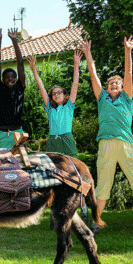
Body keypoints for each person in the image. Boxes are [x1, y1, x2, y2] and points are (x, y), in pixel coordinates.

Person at [80, 37, 133, 238]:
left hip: (127, 146)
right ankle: (97, 223)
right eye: (111, 82)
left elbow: (128, 73)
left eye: (117, 83)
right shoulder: (102, 99)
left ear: (122, 87)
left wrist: (128, 50)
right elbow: (93, 74)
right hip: (106, 145)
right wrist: (87, 53)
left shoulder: (127, 99)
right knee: (102, 186)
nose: (114, 84)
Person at [27, 50, 89, 226]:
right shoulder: (49, 109)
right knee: (51, 176)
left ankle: (83, 210)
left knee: (76, 174)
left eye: (59, 92)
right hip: (53, 141)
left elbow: (75, 84)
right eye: (53, 93)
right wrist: (34, 70)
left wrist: (76, 64)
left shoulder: (69, 107)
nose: (56, 95)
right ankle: (54, 215)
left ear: (65, 95)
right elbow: (40, 87)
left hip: (67, 140)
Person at [0, 28, 26, 150]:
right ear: (2, 79)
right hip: (1, 134)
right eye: (7, 77)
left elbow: (20, 63)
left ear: (16, 78)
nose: (10, 79)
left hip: (18, 134)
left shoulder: (20, 88)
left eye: (13, 77)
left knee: (21, 166)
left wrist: (14, 41)